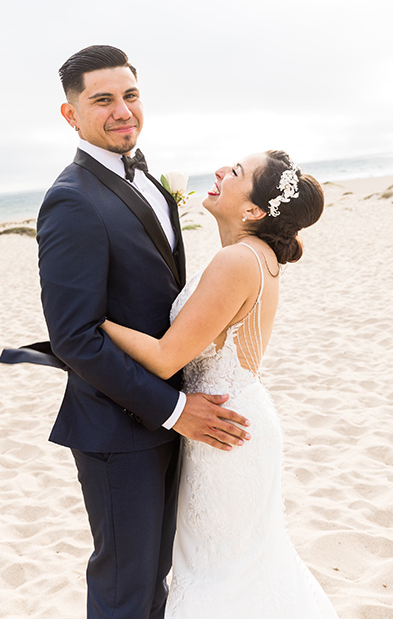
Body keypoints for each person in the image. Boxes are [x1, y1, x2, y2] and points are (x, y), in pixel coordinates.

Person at [36, 45, 251, 619]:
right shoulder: (70, 201)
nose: (122, 111)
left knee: (156, 578)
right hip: (117, 429)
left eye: (129, 95)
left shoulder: (152, 179)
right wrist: (175, 409)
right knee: (126, 587)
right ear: (70, 114)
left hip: (173, 410)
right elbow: (75, 337)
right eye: (101, 100)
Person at [101, 150, 340, 618]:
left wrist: (92, 322)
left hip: (223, 430)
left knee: (221, 576)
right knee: (242, 569)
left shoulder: (238, 260)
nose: (219, 172)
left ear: (253, 210)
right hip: (233, 419)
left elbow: (168, 354)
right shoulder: (258, 255)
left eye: (235, 172)